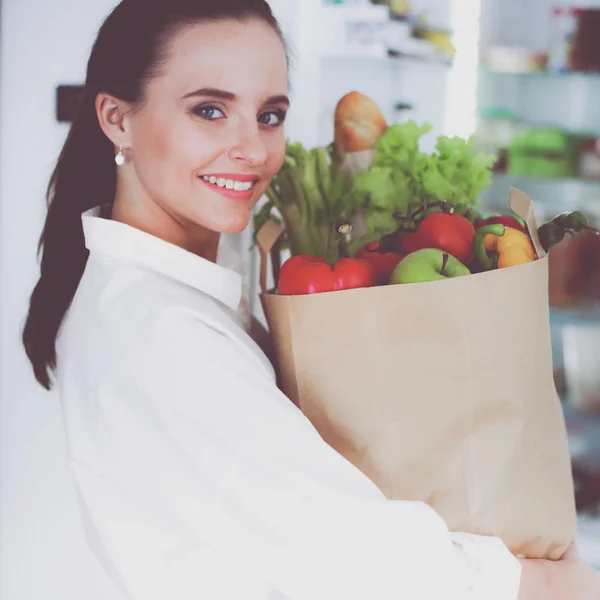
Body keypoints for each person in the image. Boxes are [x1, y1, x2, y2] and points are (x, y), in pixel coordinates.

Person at [22, 1, 600, 598]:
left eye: (269, 116)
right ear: (117, 118)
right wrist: (551, 585)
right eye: (210, 110)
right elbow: (351, 555)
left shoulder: (152, 293)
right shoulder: (161, 334)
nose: (252, 149)